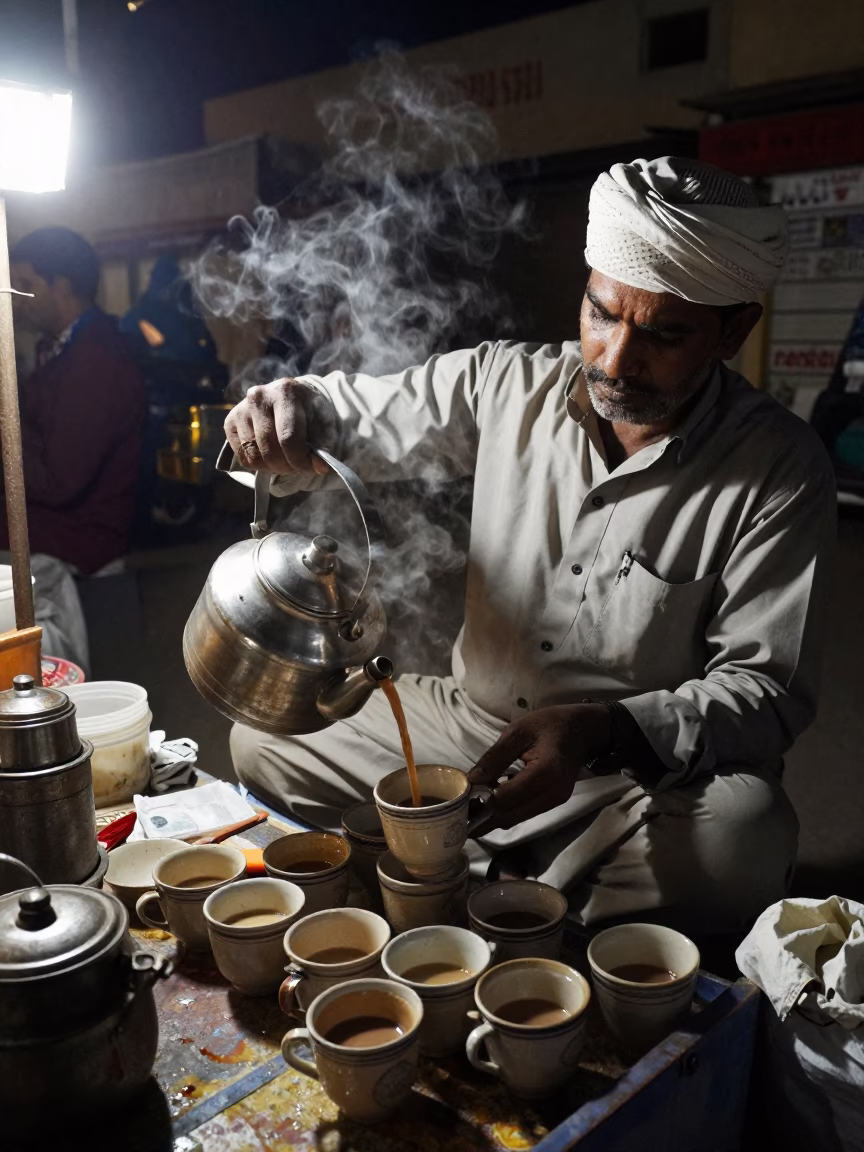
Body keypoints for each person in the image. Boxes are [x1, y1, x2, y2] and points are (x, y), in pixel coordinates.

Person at [223, 158, 836, 936]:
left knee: (744, 834)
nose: (616, 359)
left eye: (664, 334)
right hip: (466, 722)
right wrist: (293, 411)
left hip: (628, 772)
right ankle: (532, 895)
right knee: (267, 737)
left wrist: (602, 731)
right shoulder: (507, 383)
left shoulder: (778, 465)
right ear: (585, 288)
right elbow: (364, 416)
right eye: (603, 313)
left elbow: (766, 687)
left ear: (734, 332)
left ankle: (450, 866)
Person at [8, 227, 147, 574]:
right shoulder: (57, 350)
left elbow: (59, 484)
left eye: (25, 284)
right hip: (57, 528)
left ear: (62, 286)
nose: (15, 298)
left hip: (81, 544)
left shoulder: (96, 360)